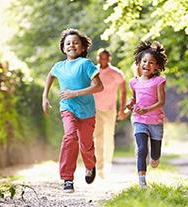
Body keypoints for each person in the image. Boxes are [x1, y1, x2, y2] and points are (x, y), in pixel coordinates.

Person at [42, 28, 103, 193]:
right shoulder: (59, 66)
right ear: (63, 47)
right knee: (69, 137)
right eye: (68, 43)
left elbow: (99, 86)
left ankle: (90, 165)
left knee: (86, 144)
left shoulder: (86, 64)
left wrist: (75, 93)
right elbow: (50, 75)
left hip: (87, 112)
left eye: (76, 43)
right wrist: (45, 96)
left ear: (83, 47)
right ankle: (67, 178)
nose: (72, 45)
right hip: (67, 108)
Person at [125, 41, 167, 189]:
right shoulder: (133, 82)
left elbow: (161, 102)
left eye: (151, 63)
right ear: (139, 62)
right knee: (142, 149)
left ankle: (155, 158)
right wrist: (130, 104)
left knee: (155, 156)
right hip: (139, 119)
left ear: (156, 66)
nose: (147, 65)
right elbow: (134, 98)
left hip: (155, 121)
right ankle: (142, 182)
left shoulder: (158, 81)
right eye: (144, 61)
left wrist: (148, 110)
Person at [93, 48, 127, 179]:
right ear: (97, 58)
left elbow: (123, 91)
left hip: (110, 110)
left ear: (109, 58)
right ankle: (99, 168)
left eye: (105, 57)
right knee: (98, 138)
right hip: (96, 110)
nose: (103, 60)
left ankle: (108, 164)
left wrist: (122, 109)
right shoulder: (93, 72)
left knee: (109, 138)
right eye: (100, 57)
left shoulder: (116, 73)